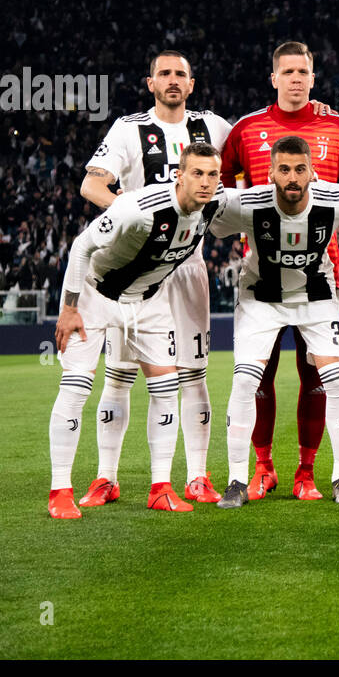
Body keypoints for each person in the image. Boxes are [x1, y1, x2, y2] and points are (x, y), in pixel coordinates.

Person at [208, 137, 339, 507]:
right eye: (284, 169)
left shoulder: (334, 201)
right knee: (245, 379)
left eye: (299, 169)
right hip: (260, 298)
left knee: (336, 380)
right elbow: (211, 217)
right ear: (270, 173)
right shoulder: (246, 204)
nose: (292, 178)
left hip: (317, 297)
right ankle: (234, 480)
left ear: (312, 171)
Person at [79, 50, 232, 508]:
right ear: (150, 83)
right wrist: (137, 219)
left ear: (192, 83)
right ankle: (107, 477)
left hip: (188, 268)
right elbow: (91, 185)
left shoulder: (216, 128)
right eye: (163, 73)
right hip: (138, 266)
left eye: (180, 74)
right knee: (120, 374)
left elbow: (262, 147)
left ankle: (198, 477)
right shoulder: (129, 129)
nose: (172, 80)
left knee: (194, 373)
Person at [47, 144, 224, 519]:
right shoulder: (138, 208)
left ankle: (160, 488)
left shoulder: (215, 205)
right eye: (197, 173)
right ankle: (60, 490)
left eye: (212, 175)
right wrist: (69, 308)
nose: (205, 183)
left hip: (148, 299)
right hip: (95, 294)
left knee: (165, 387)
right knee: (77, 385)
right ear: (179, 174)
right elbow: (81, 247)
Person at [219, 41, 339, 502]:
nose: (296, 79)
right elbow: (220, 191)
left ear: (314, 78)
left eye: (304, 71)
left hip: (321, 272)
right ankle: (261, 469)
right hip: (262, 276)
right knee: (256, 375)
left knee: (317, 374)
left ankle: (307, 471)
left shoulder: (336, 125)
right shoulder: (246, 129)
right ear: (273, 77)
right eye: (288, 71)